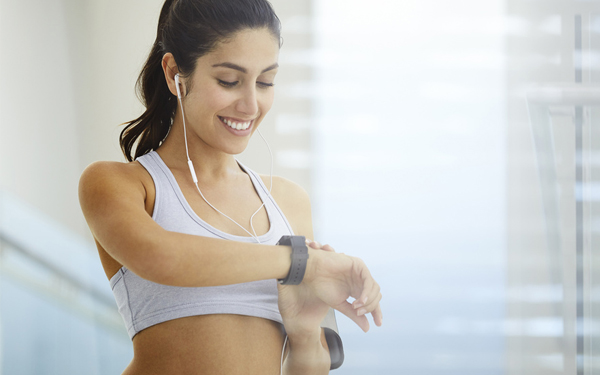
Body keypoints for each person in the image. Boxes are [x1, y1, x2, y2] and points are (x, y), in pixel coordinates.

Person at [78, 0, 383, 374]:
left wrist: (304, 333)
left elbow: (308, 367)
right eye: (229, 81)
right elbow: (163, 258)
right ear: (175, 72)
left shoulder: (288, 201)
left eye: (266, 82)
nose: (251, 104)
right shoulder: (121, 184)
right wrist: (301, 264)